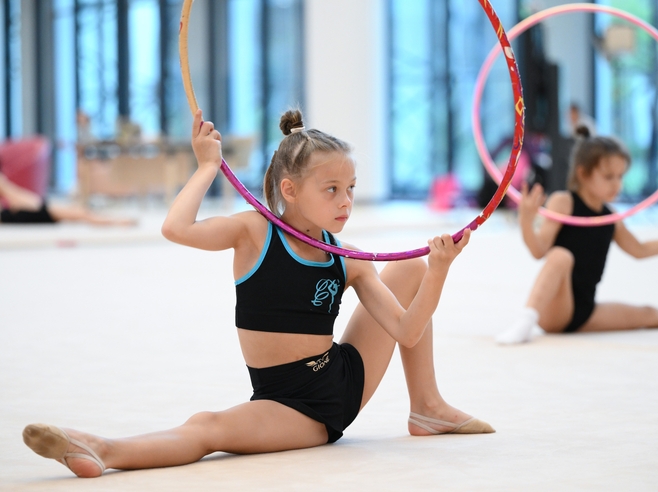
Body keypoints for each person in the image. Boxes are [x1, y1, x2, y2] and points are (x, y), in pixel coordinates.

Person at [22, 109, 492, 478]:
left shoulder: (347, 257)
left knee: (409, 267)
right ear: (289, 189)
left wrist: (438, 271)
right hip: (287, 402)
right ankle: (101, 449)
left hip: (337, 389)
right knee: (207, 426)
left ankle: (427, 408)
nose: (346, 202)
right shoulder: (253, 232)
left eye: (350, 188)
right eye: (331, 189)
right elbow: (175, 228)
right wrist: (208, 165)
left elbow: (408, 332)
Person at [495, 125, 658, 345]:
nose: (617, 184)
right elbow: (540, 251)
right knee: (561, 256)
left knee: (649, 314)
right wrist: (527, 222)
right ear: (583, 174)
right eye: (608, 177)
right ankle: (526, 321)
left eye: (620, 177)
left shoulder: (610, 217)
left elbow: (640, 250)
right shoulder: (563, 203)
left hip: (586, 310)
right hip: (554, 311)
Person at [0, 171, 136, 226]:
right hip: (29, 209)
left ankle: (115, 221)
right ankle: (116, 221)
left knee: (81, 212)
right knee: (82, 213)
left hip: (28, 208)